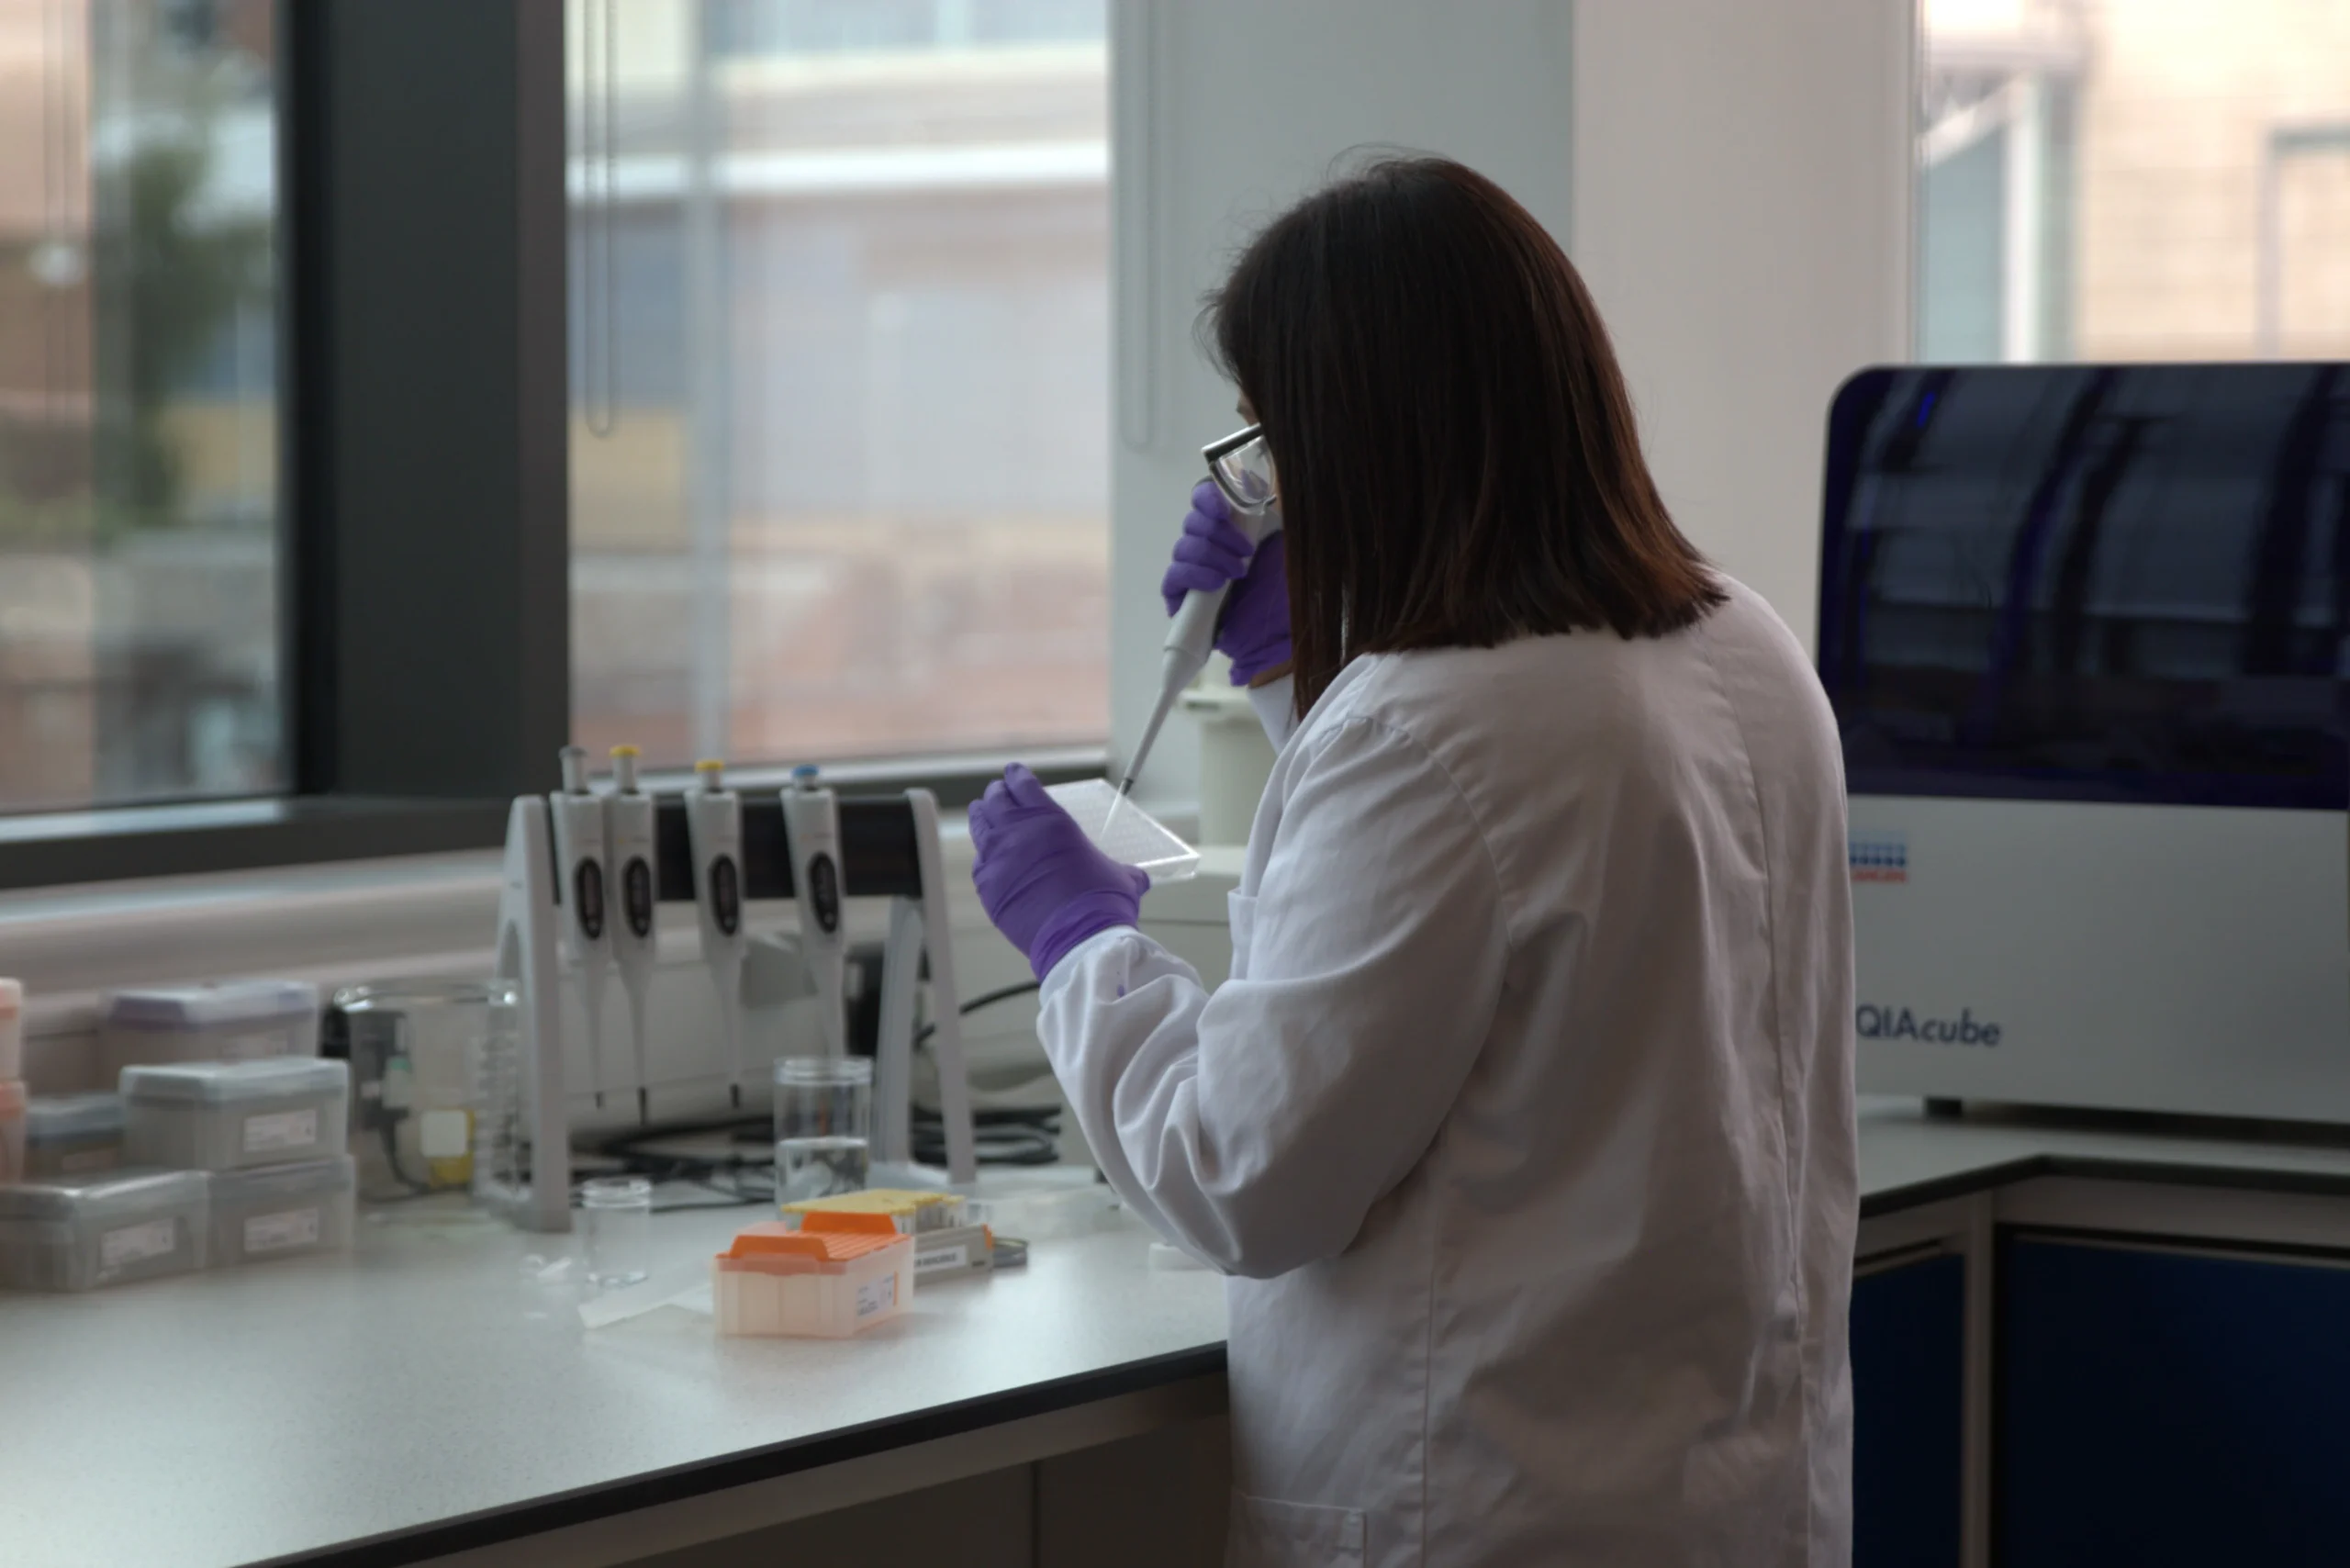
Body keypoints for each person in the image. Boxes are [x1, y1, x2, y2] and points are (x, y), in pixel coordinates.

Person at [967, 156, 1856, 1568]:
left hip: (1494, 1504)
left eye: (1271, 440)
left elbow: (1243, 1178)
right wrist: (1285, 662)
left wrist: (1081, 946)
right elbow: (1468, 918)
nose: (1262, 486)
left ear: (1365, 442)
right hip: (1725, 1492)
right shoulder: (1744, 649)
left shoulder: (1428, 733)